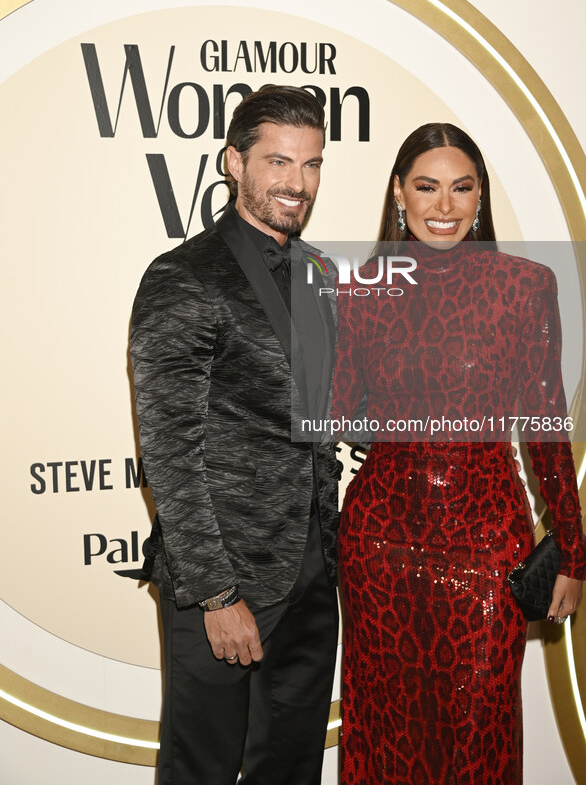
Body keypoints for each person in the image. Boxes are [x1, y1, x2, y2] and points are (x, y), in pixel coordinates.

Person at [332, 123, 586, 784]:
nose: (443, 207)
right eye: (425, 187)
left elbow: (543, 426)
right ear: (398, 193)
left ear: (479, 197)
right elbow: (333, 414)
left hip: (483, 544)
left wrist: (571, 547)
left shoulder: (523, 287)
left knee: (479, 735)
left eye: (461, 188)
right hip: (379, 544)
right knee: (383, 733)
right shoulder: (358, 291)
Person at [130, 85, 340, 785]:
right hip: (224, 582)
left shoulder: (319, 273)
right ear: (232, 162)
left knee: (289, 767)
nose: (296, 182)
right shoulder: (182, 277)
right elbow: (168, 452)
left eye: (310, 165)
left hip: (311, 576)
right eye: (278, 162)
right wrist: (216, 597)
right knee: (205, 770)